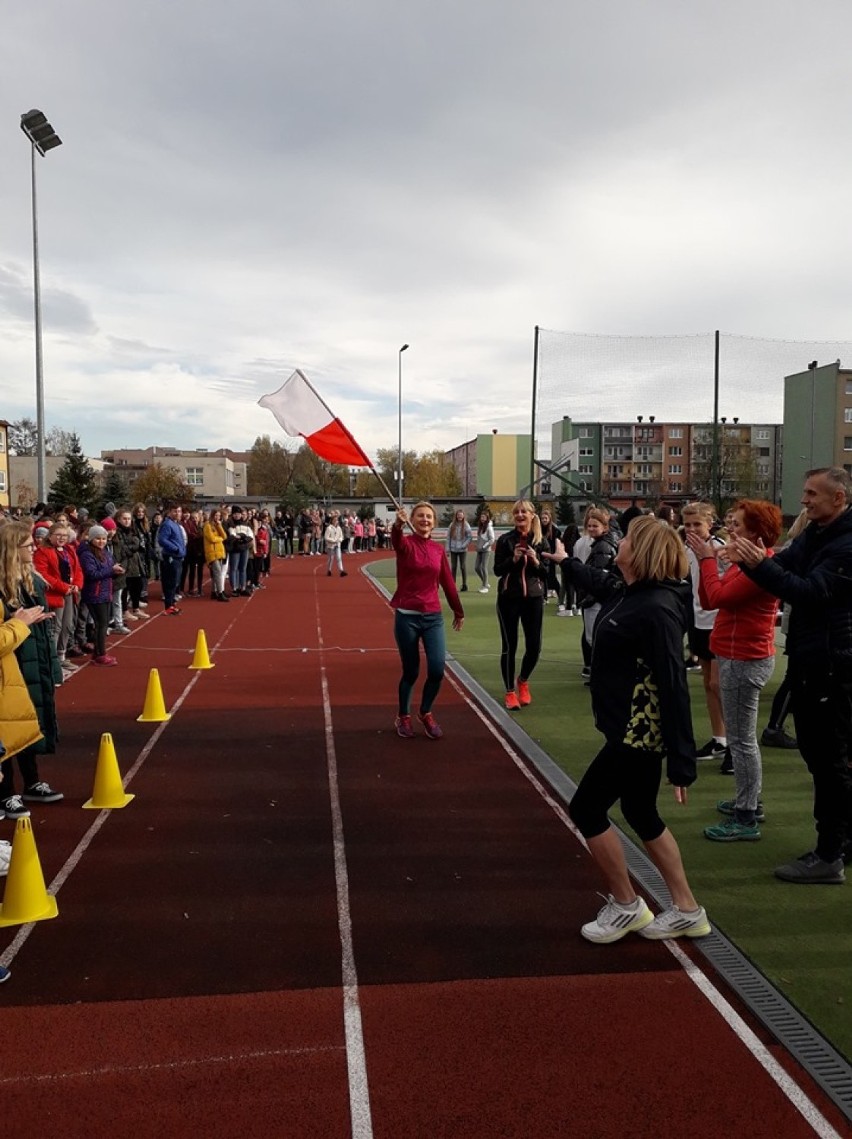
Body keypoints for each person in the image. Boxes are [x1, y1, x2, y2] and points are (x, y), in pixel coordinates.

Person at [544, 516, 710, 942]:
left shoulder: (655, 608)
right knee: (640, 811)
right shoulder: (632, 592)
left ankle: (626, 905)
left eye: (629, 538)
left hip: (637, 733)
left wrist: (682, 758)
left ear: (641, 552)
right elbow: (600, 584)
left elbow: (673, 683)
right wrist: (566, 562)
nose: (621, 541)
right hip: (628, 727)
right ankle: (687, 909)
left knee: (586, 809)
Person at [731, 467, 852, 884]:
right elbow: (782, 565)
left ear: (838, 498)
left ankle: (829, 854)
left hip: (832, 666)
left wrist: (756, 565)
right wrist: (751, 560)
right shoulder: (816, 535)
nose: (804, 501)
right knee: (824, 758)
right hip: (813, 659)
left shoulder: (845, 544)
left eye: (812, 494)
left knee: (828, 761)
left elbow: (807, 591)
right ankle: (839, 842)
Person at [687, 500, 782, 842]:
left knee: (741, 741)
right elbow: (711, 599)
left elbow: (719, 596)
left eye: (738, 526)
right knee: (742, 739)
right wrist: (706, 565)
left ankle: (746, 815)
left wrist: (707, 561)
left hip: (744, 658)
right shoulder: (750, 565)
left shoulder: (761, 567)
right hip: (735, 654)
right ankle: (748, 802)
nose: (730, 530)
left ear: (756, 532)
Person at [0, 522, 64, 816]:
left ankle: (31, 781)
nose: (34, 549)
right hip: (11, 663)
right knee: (8, 728)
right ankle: (6, 793)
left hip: (30, 656)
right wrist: (19, 623)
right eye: (27, 546)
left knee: (27, 723)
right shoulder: (3, 586)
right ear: (13, 550)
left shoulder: (30, 580)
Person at [389, 502, 464, 739]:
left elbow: (448, 583)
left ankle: (425, 711)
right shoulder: (405, 545)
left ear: (434, 521)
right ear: (413, 518)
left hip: (433, 617)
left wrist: (458, 610)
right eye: (420, 516)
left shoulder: (437, 550)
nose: (425, 519)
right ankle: (403, 715)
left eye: (429, 516)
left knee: (436, 669)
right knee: (411, 672)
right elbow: (396, 539)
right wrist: (398, 524)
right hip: (407, 618)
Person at [682, 501, 729, 768]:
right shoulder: (686, 549)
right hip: (699, 621)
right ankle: (718, 739)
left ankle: (734, 743)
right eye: (687, 524)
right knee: (707, 684)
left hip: (718, 621)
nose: (691, 529)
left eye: (697, 524)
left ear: (709, 524)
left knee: (718, 684)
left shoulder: (719, 549)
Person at [493, 500, 550, 711]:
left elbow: (547, 574)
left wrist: (535, 561)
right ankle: (509, 692)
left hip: (534, 598)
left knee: (535, 647)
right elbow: (498, 570)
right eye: (516, 512)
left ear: (532, 515)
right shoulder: (506, 540)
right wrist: (513, 559)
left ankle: (523, 680)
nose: (519, 515)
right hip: (509, 598)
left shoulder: (541, 541)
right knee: (510, 646)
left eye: (523, 511)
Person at [33, 521, 83, 675]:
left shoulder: (69, 550)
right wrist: (63, 587)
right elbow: (44, 575)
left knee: (68, 625)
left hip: (69, 592)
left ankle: (61, 656)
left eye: (65, 535)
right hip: (56, 594)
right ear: (51, 536)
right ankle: (52, 660)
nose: (62, 538)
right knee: (56, 626)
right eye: (58, 535)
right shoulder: (43, 552)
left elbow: (78, 570)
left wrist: (76, 585)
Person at [78, 525, 123, 665]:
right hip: (95, 593)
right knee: (101, 624)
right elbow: (91, 574)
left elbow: (108, 568)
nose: (101, 541)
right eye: (98, 538)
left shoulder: (105, 552)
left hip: (105, 591)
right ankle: (101, 654)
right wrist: (111, 571)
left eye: (103, 538)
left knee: (102, 624)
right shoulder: (87, 554)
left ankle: (98, 652)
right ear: (91, 539)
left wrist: (116, 571)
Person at [158, 501, 187, 613]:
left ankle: (172, 604)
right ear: (170, 512)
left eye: (179, 511)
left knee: (176, 581)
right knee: (170, 581)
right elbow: (162, 540)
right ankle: (168, 606)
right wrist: (175, 549)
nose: (177, 513)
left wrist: (182, 550)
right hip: (171, 557)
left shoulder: (177, 525)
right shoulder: (167, 524)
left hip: (178, 557)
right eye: (175, 511)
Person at [203, 509, 230, 602]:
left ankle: (213, 592)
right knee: (218, 572)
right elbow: (212, 539)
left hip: (219, 552)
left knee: (215, 574)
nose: (217, 517)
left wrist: (219, 526)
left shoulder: (217, 525)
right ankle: (220, 592)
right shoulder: (207, 525)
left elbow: (225, 536)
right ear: (212, 515)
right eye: (216, 515)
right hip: (212, 552)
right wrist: (220, 539)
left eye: (219, 516)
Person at [446, 510, 472, 592]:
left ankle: (464, 585)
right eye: (458, 515)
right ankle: (453, 585)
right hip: (453, 549)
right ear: (456, 516)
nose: (460, 517)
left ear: (463, 516)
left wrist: (463, 545)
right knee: (453, 567)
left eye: (461, 515)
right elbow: (448, 538)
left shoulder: (466, 525)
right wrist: (447, 549)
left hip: (462, 550)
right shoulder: (452, 525)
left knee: (463, 566)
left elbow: (469, 537)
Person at [474, 509, 495, 593]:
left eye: (484, 517)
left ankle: (485, 586)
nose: (482, 518)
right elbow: (479, 538)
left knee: (483, 567)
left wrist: (484, 546)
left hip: (486, 550)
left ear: (487, 518)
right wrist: (477, 546)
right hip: (479, 550)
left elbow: (492, 539)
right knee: (476, 567)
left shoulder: (489, 528)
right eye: (481, 517)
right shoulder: (480, 527)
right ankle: (485, 582)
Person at [324, 512, 347, 578]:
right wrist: (333, 540)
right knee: (331, 558)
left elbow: (341, 536)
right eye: (335, 520)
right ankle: (329, 570)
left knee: (339, 558)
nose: (336, 521)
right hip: (331, 546)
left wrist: (339, 540)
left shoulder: (339, 528)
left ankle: (341, 571)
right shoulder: (329, 528)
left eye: (337, 520)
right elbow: (326, 537)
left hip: (337, 545)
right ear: (332, 521)